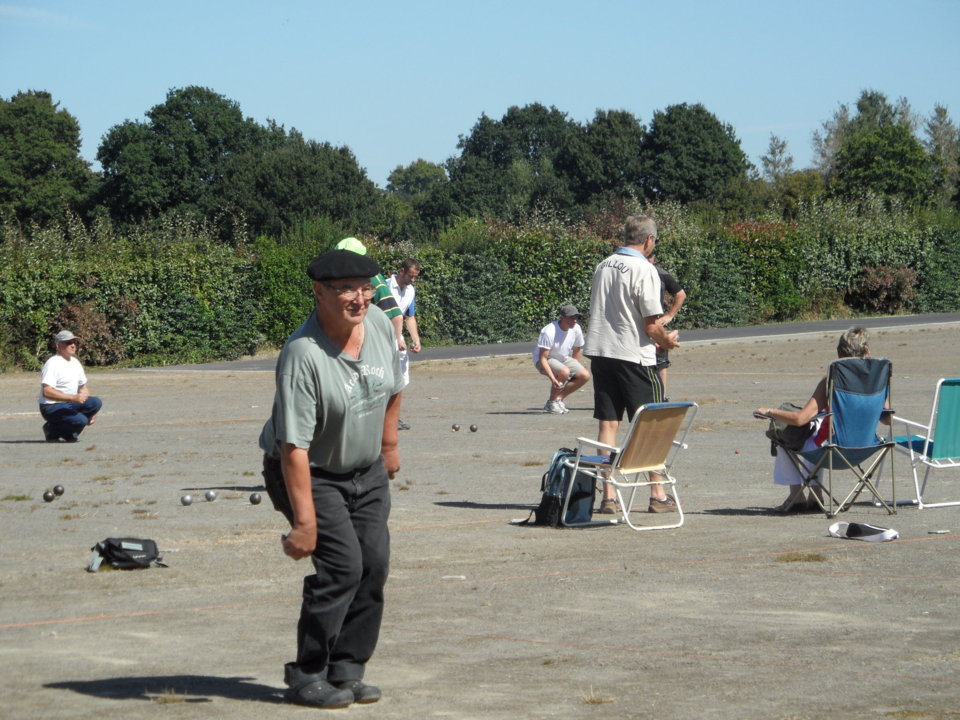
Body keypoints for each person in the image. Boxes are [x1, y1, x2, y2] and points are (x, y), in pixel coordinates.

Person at [259, 249, 404, 709]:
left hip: (366, 470)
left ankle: (347, 669)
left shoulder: (379, 323)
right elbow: (292, 448)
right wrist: (304, 523)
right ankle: (307, 674)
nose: (359, 298)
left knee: (374, 565)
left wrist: (388, 447)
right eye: (346, 289)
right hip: (311, 473)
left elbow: (395, 387)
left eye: (365, 287)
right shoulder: (303, 354)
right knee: (342, 569)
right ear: (320, 292)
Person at [583, 215, 680, 515]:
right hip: (633, 356)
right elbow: (652, 326)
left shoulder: (604, 265)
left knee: (608, 424)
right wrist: (668, 342)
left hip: (601, 352)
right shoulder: (644, 269)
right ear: (649, 240)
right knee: (652, 423)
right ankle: (657, 494)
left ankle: (608, 495)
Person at [756, 326, 888, 513]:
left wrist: (769, 411)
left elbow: (800, 419)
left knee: (785, 434)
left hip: (833, 450)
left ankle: (797, 496)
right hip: (866, 448)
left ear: (838, 353)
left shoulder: (832, 380)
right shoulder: (879, 379)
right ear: (868, 352)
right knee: (818, 431)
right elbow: (887, 419)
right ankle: (816, 495)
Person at [334, 237, 404, 348]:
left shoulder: (373, 277)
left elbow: (395, 316)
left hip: (370, 345)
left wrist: (393, 346)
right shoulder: (335, 280)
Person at [38, 330, 102, 442]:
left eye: (74, 342)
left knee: (95, 402)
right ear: (58, 345)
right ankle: (51, 430)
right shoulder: (53, 364)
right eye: (68, 342)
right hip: (52, 407)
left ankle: (69, 433)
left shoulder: (75, 362)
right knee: (81, 420)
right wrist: (72, 398)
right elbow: (47, 392)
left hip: (70, 403)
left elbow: (83, 387)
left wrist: (93, 413)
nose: (72, 345)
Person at [533, 304, 592, 414]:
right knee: (564, 371)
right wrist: (553, 379)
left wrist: (575, 372)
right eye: (571, 317)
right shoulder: (549, 331)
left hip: (563, 358)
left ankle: (558, 399)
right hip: (544, 360)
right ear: (561, 318)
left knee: (585, 375)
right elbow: (542, 358)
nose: (574, 320)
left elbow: (576, 350)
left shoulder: (576, 329)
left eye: (576, 317)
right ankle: (551, 403)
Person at [388, 259, 422, 430]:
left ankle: (394, 417)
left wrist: (416, 339)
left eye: (415, 277)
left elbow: (409, 316)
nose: (413, 280)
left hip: (398, 336)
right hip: (381, 335)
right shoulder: (385, 286)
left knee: (401, 378)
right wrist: (396, 338)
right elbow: (382, 315)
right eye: (411, 276)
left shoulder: (411, 291)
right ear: (401, 271)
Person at [651, 258, 687, 400]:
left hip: (656, 321)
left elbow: (681, 294)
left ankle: (662, 397)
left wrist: (670, 315)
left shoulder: (660, 273)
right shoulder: (632, 270)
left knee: (661, 361)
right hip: (638, 322)